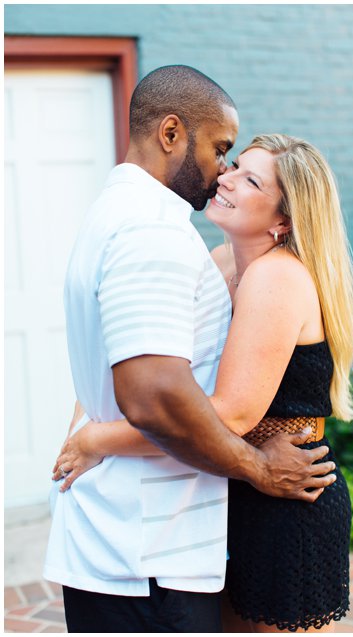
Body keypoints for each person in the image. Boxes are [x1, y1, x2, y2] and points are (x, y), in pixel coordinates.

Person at [44, 66, 336, 633]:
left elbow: (216, 405)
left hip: (248, 505)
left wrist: (92, 436)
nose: (224, 173)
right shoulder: (165, 237)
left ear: (283, 219)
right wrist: (86, 434)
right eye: (224, 151)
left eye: (248, 176)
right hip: (156, 536)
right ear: (172, 133)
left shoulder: (134, 222)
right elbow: (149, 386)